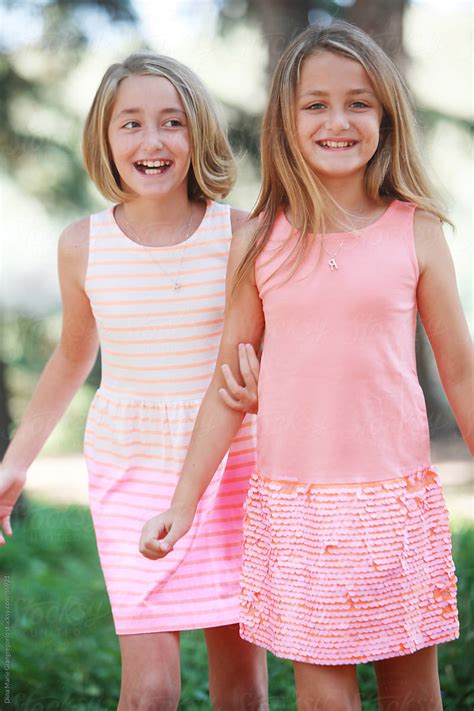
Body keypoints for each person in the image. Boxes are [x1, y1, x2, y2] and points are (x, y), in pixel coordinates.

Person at [139, 23, 473, 711]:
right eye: (315, 104)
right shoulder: (260, 240)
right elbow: (228, 390)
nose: (338, 120)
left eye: (359, 102)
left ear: (386, 115)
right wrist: (183, 499)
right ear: (286, 123)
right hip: (297, 512)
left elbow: (462, 371)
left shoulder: (418, 230)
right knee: (324, 699)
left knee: (415, 697)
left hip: (393, 505)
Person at [0, 53, 268, 710]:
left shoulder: (238, 233)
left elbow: (269, 347)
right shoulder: (82, 244)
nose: (152, 141)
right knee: (149, 688)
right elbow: (70, 357)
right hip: (128, 462)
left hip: (231, 462)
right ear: (105, 138)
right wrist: (15, 462)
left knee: (243, 686)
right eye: (132, 124)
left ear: (198, 133)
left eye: (171, 122)